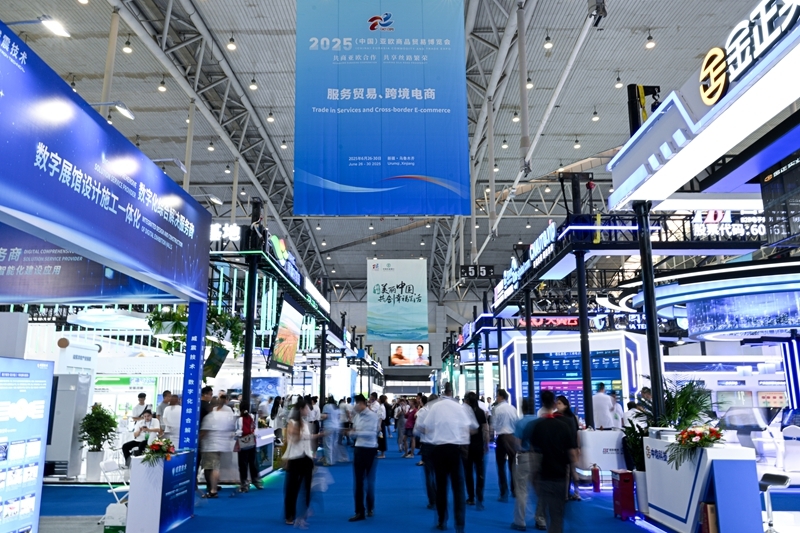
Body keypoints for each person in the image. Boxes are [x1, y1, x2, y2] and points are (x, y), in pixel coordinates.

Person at [415, 382, 477, 533]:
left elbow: (422, 427)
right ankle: (460, 524)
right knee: (458, 489)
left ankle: (442, 520)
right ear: (452, 392)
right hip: (455, 450)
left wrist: (435, 433)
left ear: (443, 391)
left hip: (439, 450)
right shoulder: (460, 407)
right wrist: (460, 435)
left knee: (441, 487)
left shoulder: (435, 407)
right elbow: (473, 428)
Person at [528, 398, 578, 533]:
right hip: (559, 474)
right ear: (554, 405)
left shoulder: (539, 425)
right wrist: (574, 471)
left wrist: (533, 475)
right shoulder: (565, 424)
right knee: (557, 514)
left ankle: (542, 520)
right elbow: (572, 452)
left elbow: (534, 452)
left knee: (546, 507)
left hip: (545, 473)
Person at [283, 397, 314, 527]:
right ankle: (289, 515)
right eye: (306, 408)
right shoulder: (292, 423)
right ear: (301, 409)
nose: (308, 410)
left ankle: (304, 512)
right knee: (292, 489)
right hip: (295, 459)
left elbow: (307, 441)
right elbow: (294, 439)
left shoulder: (306, 423)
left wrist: (312, 454)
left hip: (306, 458)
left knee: (307, 488)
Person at [348, 394, 380, 522]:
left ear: (361, 403)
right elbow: (355, 432)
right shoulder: (357, 416)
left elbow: (371, 433)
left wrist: (355, 433)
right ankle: (359, 511)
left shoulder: (372, 416)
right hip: (358, 449)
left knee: (369, 481)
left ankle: (370, 506)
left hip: (370, 450)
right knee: (358, 482)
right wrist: (352, 434)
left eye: (356, 404)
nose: (355, 406)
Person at [199, 397, 236, 498]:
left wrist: (197, 441)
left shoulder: (210, 417)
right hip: (223, 445)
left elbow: (204, 432)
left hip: (210, 446)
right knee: (217, 467)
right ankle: (215, 488)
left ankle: (212, 490)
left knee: (211, 468)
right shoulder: (226, 416)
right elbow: (231, 429)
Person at [511, 397, 538, 531]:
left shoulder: (521, 422)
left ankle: (520, 521)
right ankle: (541, 519)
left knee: (522, 490)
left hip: (525, 456)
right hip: (539, 457)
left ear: (523, 408)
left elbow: (517, 443)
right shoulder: (540, 421)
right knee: (539, 490)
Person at [463, 392, 489, 510]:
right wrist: (486, 444)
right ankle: (479, 496)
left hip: (467, 446)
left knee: (468, 472)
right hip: (479, 446)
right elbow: (485, 428)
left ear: (468, 401)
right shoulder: (481, 412)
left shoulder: (464, 413)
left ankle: (471, 497)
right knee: (479, 472)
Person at [492, 389, 519, 502]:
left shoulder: (496, 409)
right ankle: (514, 489)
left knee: (501, 466)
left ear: (501, 397)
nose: (496, 398)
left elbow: (494, 425)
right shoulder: (513, 408)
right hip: (512, 437)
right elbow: (516, 423)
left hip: (502, 437)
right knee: (513, 465)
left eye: (497, 396)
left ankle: (504, 491)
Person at [555, 395, 582, 501]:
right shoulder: (572, 417)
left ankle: (567, 494)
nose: (557, 405)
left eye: (559, 403)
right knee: (572, 471)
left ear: (565, 405)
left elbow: (576, 433)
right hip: (572, 447)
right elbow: (577, 433)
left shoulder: (561, 418)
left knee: (568, 471)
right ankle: (575, 493)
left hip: (567, 448)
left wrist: (578, 446)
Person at [414, 394, 438, 508]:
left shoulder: (423, 412)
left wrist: (427, 431)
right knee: (440, 473)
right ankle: (439, 497)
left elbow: (416, 430)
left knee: (429, 474)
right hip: (440, 445)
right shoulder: (442, 413)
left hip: (428, 445)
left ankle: (432, 500)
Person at [235, 408, 261, 492]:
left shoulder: (240, 419)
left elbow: (239, 432)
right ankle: (255, 480)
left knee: (243, 464)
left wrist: (235, 436)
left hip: (243, 443)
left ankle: (244, 483)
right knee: (253, 462)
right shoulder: (252, 417)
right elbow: (255, 430)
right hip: (252, 442)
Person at [321, 396, 340, 466]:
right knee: (334, 444)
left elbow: (325, 416)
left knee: (328, 444)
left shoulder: (326, 406)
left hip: (329, 426)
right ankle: (334, 459)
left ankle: (329, 461)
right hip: (336, 426)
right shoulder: (336, 407)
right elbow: (339, 417)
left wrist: (320, 416)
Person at [376, 395, 389, 459]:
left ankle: (383, 454)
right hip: (379, 423)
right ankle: (380, 451)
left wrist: (379, 425)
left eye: (379, 398)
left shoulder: (382, 407)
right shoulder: (380, 406)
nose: (378, 399)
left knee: (381, 438)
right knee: (379, 438)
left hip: (381, 424)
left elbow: (381, 417)